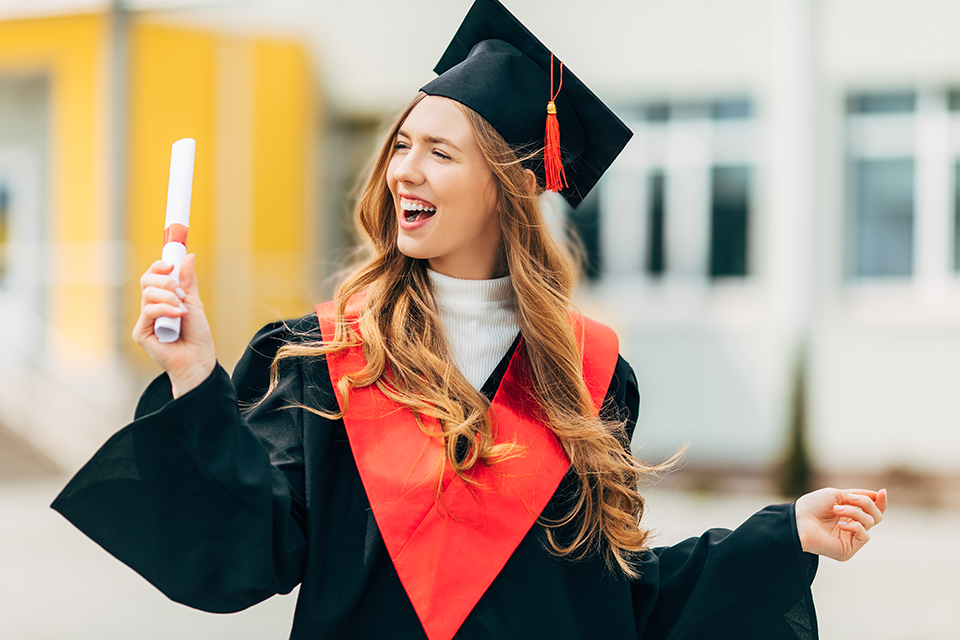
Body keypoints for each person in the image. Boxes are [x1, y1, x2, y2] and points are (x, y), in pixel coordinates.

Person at [53, 1, 886, 639]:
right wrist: (193, 372)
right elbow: (247, 548)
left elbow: (613, 597)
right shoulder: (322, 358)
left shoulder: (589, 379)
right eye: (402, 145)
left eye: (440, 152)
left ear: (508, 186)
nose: (404, 170)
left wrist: (783, 536)